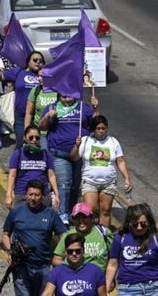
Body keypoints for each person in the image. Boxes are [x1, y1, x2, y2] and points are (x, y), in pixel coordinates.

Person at [2, 178, 68, 296]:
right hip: (21, 266)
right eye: (30, 194)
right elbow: (6, 234)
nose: (33, 198)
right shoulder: (16, 211)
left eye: (36, 195)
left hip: (43, 266)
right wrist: (9, 251)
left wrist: (59, 255)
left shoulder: (51, 213)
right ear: (26, 194)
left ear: (42, 196)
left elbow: (63, 235)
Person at [39, 91, 98, 220]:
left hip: (80, 154)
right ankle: (62, 215)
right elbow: (42, 127)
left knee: (75, 185)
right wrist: (48, 116)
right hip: (60, 154)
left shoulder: (84, 107)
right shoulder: (51, 107)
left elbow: (95, 126)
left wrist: (95, 109)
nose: (66, 96)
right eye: (63, 94)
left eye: (69, 93)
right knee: (64, 184)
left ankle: (73, 212)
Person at [72, 115, 132, 227]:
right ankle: (91, 235)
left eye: (103, 128)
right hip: (89, 182)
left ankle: (104, 236)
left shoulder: (113, 142)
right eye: (98, 128)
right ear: (93, 129)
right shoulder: (85, 141)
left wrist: (127, 178)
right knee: (89, 210)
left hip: (108, 183)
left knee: (105, 210)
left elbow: (120, 161)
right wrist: (76, 146)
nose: (101, 131)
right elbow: (74, 158)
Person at [105, 203, 158, 296]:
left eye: (143, 224)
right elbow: (112, 265)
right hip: (128, 289)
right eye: (135, 224)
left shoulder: (155, 238)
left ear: (149, 223)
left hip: (154, 287)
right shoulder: (121, 237)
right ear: (129, 223)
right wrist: (106, 289)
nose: (139, 227)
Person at [7, 125, 60, 210]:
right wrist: (8, 195)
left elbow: (51, 176)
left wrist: (56, 194)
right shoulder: (18, 153)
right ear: (25, 138)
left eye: (37, 138)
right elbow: (12, 175)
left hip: (43, 196)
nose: (34, 140)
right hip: (22, 195)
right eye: (31, 137)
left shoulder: (45, 154)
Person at [52, 203, 112, 271]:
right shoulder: (68, 235)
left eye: (84, 217)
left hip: (100, 278)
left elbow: (113, 259)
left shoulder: (103, 232)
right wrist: (73, 265)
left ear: (91, 217)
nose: (81, 221)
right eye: (77, 218)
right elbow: (56, 260)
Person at [43, 232, 107, 296]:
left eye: (78, 251)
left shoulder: (95, 271)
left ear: (83, 250)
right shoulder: (57, 272)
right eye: (70, 251)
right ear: (65, 252)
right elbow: (47, 293)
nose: (74, 254)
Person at [4, 51, 44, 146]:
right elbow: (2, 75)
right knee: (21, 142)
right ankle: (19, 160)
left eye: (41, 61)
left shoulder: (45, 75)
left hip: (38, 115)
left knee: (38, 144)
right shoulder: (19, 72)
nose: (38, 62)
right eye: (35, 60)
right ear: (28, 62)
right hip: (21, 115)